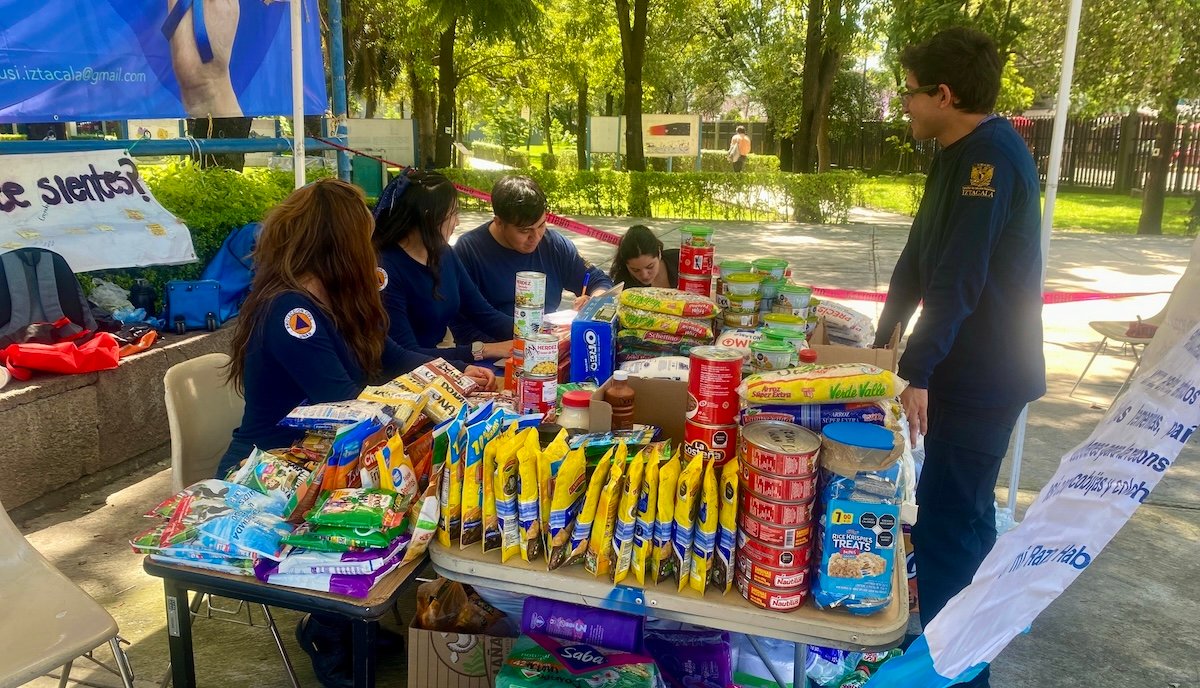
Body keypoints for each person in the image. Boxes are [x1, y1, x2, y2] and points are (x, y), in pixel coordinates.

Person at [217, 179, 493, 687]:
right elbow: (345, 404)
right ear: (339, 245)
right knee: (395, 494)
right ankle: (330, 628)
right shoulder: (291, 311)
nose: (371, 251)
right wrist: (424, 396)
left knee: (418, 480)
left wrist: (454, 376)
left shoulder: (337, 299)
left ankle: (342, 621)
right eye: (362, 240)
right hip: (272, 467)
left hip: (326, 454)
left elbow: (398, 358)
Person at [873, 28, 1044, 688]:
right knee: (943, 511)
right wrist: (884, 336)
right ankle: (940, 643)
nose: (905, 105)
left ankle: (960, 672)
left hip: (986, 377)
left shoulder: (991, 159)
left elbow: (960, 278)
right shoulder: (952, 152)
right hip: (957, 369)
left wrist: (916, 369)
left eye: (910, 92)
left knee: (954, 521)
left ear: (943, 94)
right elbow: (922, 255)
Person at [373, 171, 514, 364]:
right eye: (453, 214)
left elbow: (483, 313)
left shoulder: (444, 252)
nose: (457, 222)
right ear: (430, 218)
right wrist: (483, 350)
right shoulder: (385, 269)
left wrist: (535, 334)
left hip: (438, 364)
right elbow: (405, 355)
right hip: (406, 375)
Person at [451, 176, 613, 339]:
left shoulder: (554, 244)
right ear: (499, 222)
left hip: (548, 342)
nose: (536, 237)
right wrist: (505, 350)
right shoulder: (469, 250)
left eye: (541, 225)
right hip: (496, 349)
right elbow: (461, 324)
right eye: (524, 231)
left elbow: (598, 280)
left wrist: (594, 301)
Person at [609, 224, 679, 288]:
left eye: (650, 267)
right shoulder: (623, 283)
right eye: (635, 270)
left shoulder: (680, 261)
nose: (644, 275)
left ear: (659, 253)